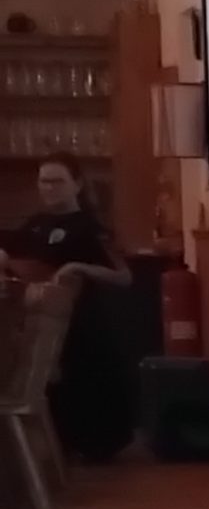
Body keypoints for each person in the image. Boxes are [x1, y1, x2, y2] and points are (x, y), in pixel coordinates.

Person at [0, 159, 135, 462]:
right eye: (44, 181)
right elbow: (10, 250)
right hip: (35, 317)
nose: (49, 188)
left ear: (77, 184)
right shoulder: (36, 223)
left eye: (57, 181)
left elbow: (124, 276)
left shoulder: (92, 227)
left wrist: (79, 267)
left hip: (82, 320)